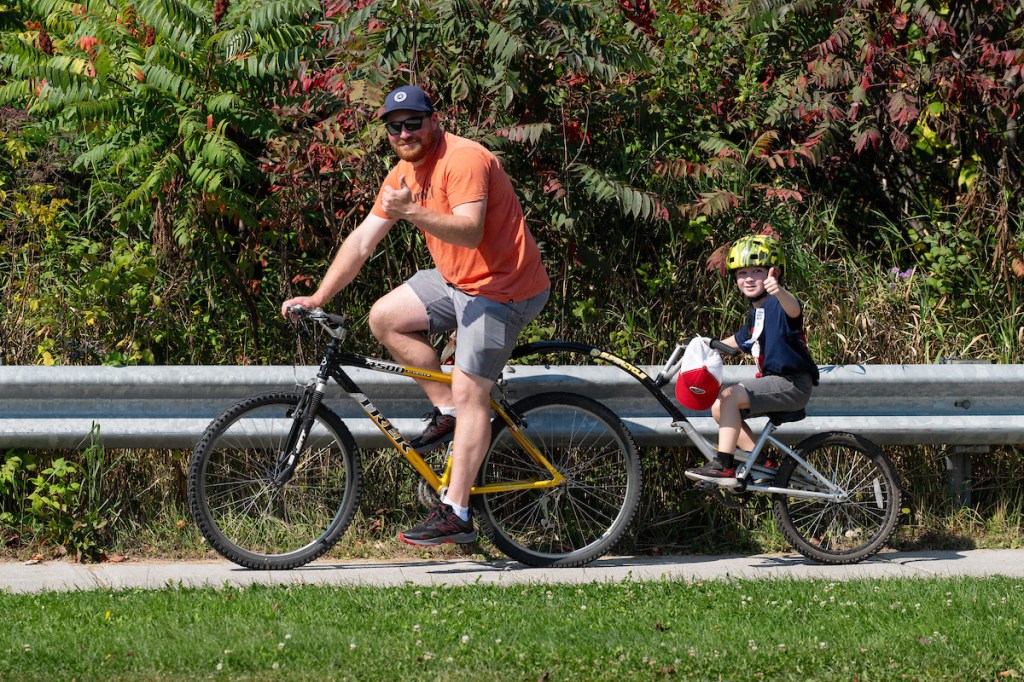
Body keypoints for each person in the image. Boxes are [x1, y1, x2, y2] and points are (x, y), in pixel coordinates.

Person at [281, 85, 550, 545]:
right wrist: (319, 297)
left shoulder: (463, 160)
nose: (404, 133)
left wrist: (412, 211)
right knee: (384, 317)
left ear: (434, 121)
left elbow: (469, 232)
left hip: (502, 289)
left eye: (413, 123)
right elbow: (362, 241)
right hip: (456, 281)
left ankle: (457, 511)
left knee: (471, 391)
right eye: (395, 127)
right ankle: (447, 411)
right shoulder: (403, 173)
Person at [684, 234, 818, 486]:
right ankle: (762, 464)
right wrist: (705, 345)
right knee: (718, 406)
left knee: (729, 396)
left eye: (757, 271)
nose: (748, 278)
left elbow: (794, 310)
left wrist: (779, 291)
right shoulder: (757, 311)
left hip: (791, 383)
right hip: (775, 382)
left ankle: (724, 464)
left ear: (774, 273)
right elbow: (739, 339)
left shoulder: (778, 304)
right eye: (741, 273)